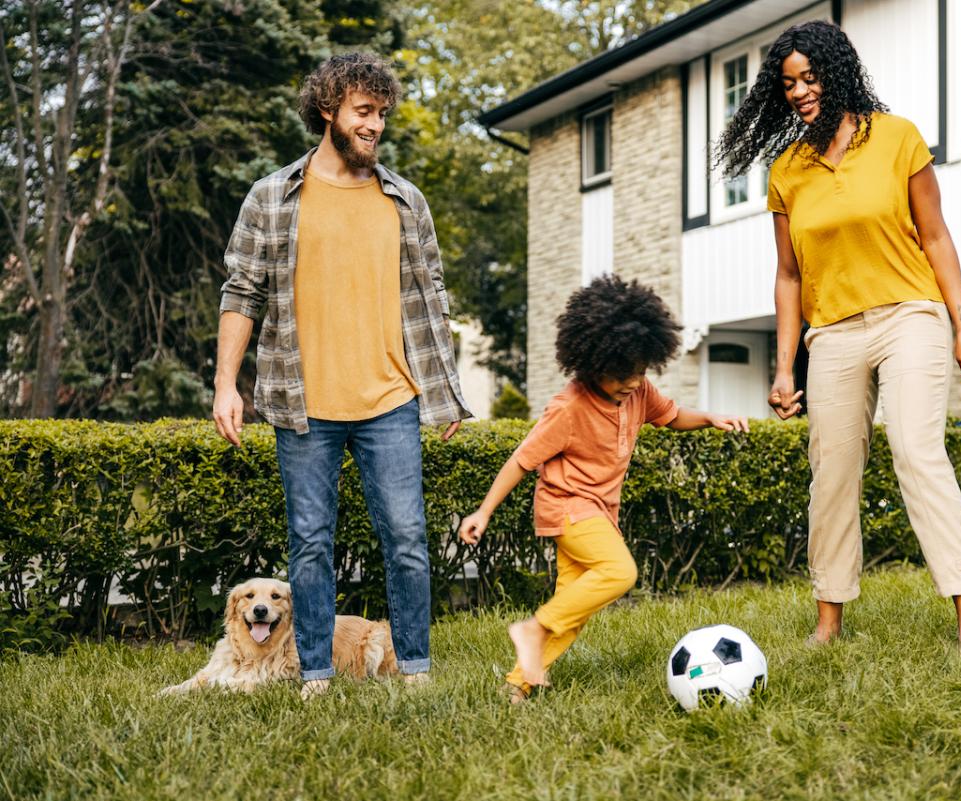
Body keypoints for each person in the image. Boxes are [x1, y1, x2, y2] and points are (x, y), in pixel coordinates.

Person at [715, 21, 961, 654]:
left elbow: (936, 236)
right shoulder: (788, 170)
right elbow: (788, 276)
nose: (800, 92)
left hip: (909, 315)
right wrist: (785, 366)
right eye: (788, 83)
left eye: (811, 78)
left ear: (837, 73)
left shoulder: (897, 139)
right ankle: (829, 622)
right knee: (832, 470)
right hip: (834, 332)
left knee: (917, 450)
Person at [212, 53, 471, 698]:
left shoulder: (406, 201)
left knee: (408, 539)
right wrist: (225, 385)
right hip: (306, 404)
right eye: (363, 112)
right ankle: (317, 674)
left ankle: (414, 668)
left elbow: (431, 295)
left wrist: (445, 393)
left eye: (382, 114)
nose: (374, 125)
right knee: (310, 545)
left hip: (391, 400)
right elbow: (242, 291)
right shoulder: (273, 196)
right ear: (327, 108)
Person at [458, 276, 749, 701]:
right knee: (619, 572)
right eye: (621, 373)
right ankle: (532, 628)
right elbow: (521, 460)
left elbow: (670, 415)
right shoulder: (570, 408)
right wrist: (483, 513)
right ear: (594, 362)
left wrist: (710, 418)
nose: (632, 381)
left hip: (598, 512)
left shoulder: (638, 391)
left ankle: (516, 687)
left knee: (573, 613)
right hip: (567, 508)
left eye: (640, 370)